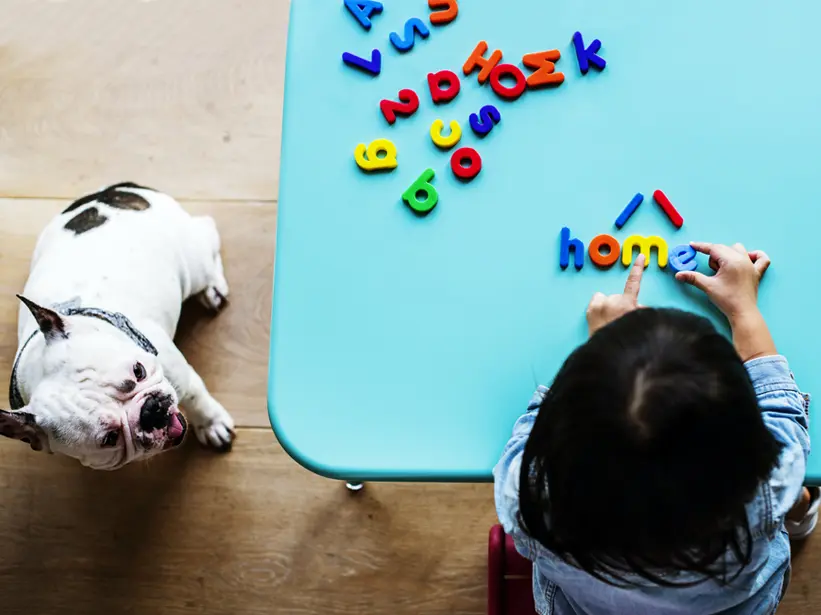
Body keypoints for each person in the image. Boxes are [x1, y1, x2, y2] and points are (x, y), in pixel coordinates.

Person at [494, 243, 818, 615]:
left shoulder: (532, 502)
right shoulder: (765, 484)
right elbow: (781, 411)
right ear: (746, 435)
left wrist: (605, 350)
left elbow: (527, 441)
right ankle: (800, 515)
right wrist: (744, 309)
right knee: (791, 494)